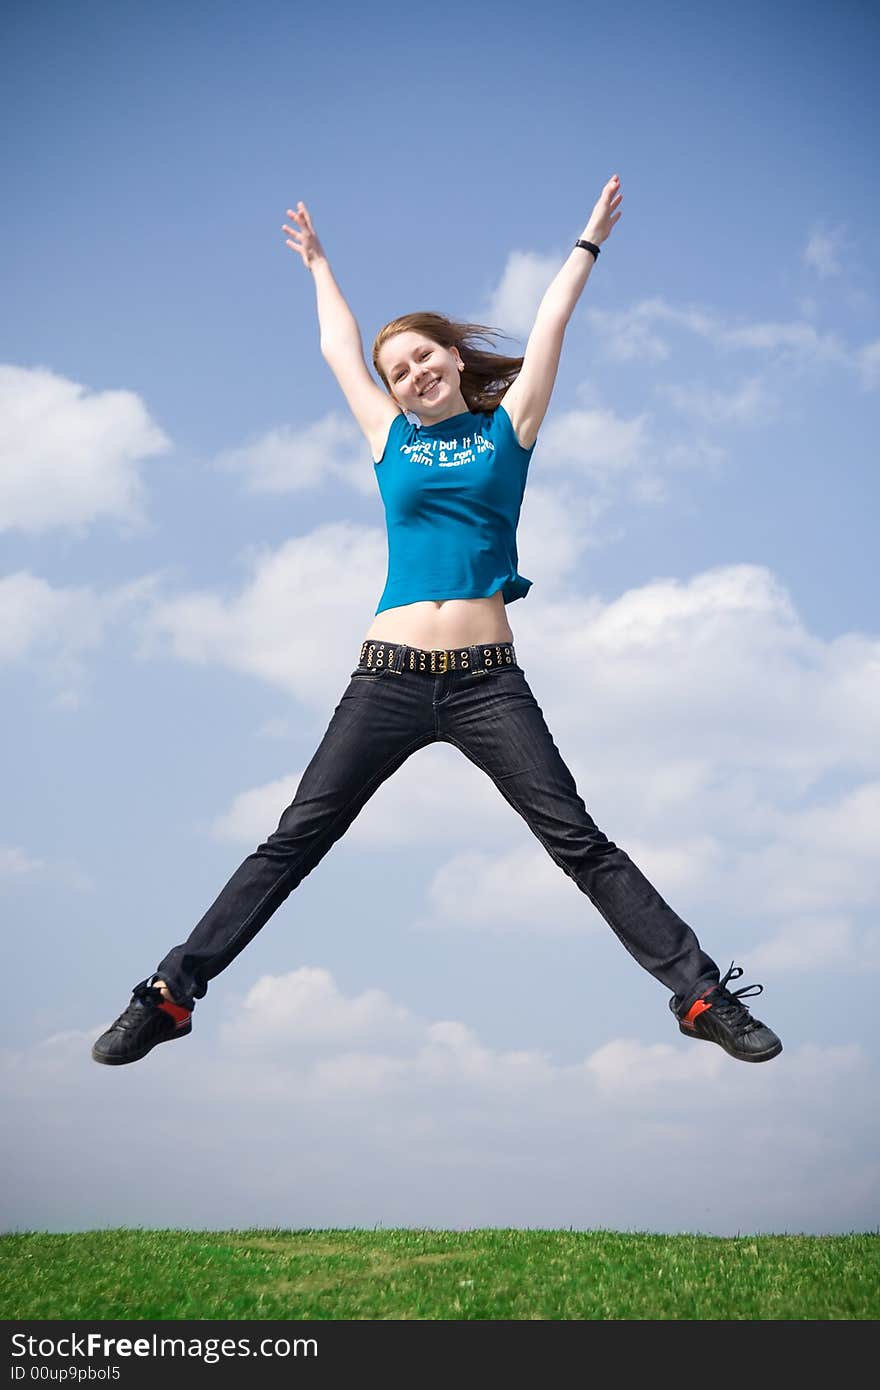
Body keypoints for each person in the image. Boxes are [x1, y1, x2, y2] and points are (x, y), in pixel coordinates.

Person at [92, 175, 781, 1069]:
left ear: (453, 357)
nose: (410, 374)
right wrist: (320, 266)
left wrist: (587, 244)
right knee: (296, 837)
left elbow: (551, 328)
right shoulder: (392, 441)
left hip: (489, 682)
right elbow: (340, 350)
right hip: (387, 675)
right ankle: (169, 995)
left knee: (576, 839)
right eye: (398, 371)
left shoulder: (508, 432)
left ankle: (702, 997)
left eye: (422, 358)